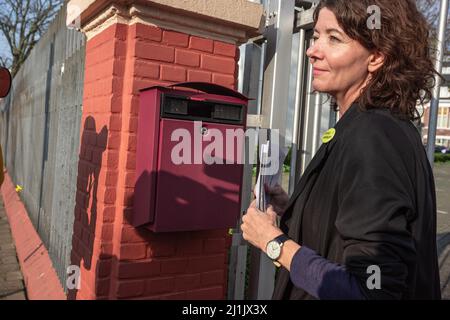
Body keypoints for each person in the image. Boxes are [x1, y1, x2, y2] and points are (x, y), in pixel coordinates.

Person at [241, 0, 441, 299]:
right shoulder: (367, 126)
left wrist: (273, 243)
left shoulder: (374, 137)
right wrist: (299, 208)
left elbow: (371, 290)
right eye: (316, 36)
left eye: (334, 38)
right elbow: (350, 232)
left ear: (376, 56)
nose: (312, 50)